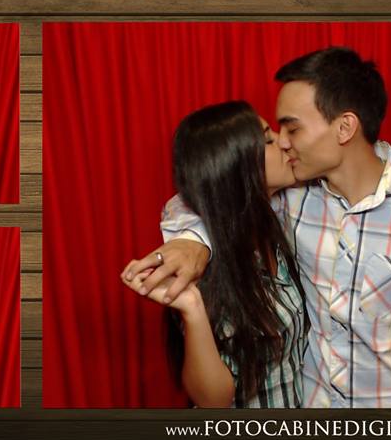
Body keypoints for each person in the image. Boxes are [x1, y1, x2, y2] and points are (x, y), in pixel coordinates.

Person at [126, 47, 391, 408]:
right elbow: (213, 193)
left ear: (345, 127)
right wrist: (192, 242)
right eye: (276, 131)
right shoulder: (292, 198)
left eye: (292, 128)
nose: (283, 141)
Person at [122, 101, 308, 407]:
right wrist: (193, 309)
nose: (285, 142)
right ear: (236, 166)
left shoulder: (276, 226)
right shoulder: (208, 270)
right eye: (268, 140)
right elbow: (214, 402)